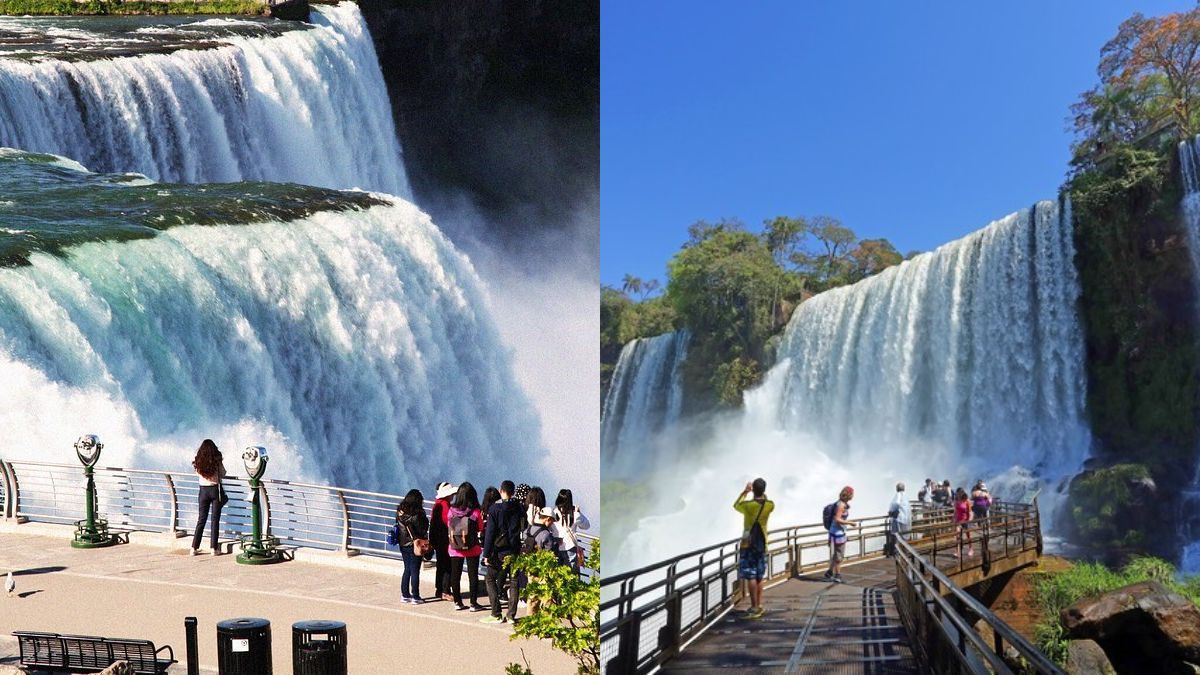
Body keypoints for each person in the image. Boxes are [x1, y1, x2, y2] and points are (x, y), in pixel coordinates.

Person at [481, 480, 524, 624]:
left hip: (499, 550)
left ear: (501, 490)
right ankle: (511, 615)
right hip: (515, 549)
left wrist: (486, 554)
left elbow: (490, 533)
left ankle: (496, 613)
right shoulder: (518, 507)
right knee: (514, 581)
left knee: (490, 578)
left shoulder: (495, 509)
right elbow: (523, 526)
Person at [734, 478, 774, 618]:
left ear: (754, 490)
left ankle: (754, 607)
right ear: (764, 490)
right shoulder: (770, 505)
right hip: (762, 542)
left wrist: (745, 492)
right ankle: (759, 604)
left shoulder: (748, 506)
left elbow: (736, 505)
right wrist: (760, 493)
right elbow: (766, 500)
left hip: (748, 543)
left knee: (750, 575)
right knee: (759, 575)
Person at [447, 482, 486, 612]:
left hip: (455, 547)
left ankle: (458, 602)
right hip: (472, 547)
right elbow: (480, 527)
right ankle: (473, 603)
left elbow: (449, 526)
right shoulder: (475, 511)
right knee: (473, 575)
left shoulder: (451, 511)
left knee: (455, 575)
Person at [190, 439, 227, 556]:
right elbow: (223, 473)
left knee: (201, 520)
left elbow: (196, 472)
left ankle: (194, 548)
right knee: (215, 520)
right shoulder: (216, 460)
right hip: (215, 490)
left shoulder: (198, 461)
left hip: (203, 491)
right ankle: (213, 548)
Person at [522, 506, 561, 614]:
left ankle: (531, 619)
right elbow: (549, 552)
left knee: (532, 595)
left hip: (531, 566)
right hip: (543, 569)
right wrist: (556, 543)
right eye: (552, 521)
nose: (552, 524)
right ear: (547, 519)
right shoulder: (546, 534)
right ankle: (547, 621)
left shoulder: (529, 529)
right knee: (546, 596)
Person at [395, 489, 429, 604]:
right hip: (415, 544)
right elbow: (422, 529)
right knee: (415, 570)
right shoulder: (417, 514)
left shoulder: (400, 511)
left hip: (403, 543)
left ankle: (405, 595)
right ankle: (416, 596)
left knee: (407, 569)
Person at [552, 488, 591, 574]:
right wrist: (578, 514)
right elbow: (587, 526)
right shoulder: (574, 513)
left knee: (557, 574)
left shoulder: (554, 512)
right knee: (572, 574)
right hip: (570, 547)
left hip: (556, 546)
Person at [430, 481, 456, 602]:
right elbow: (449, 522)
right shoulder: (445, 505)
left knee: (440, 565)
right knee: (447, 566)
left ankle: (439, 590)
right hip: (444, 541)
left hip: (437, 540)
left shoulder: (437, 504)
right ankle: (445, 591)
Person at [824, 486, 855, 583]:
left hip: (835, 531)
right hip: (838, 533)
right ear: (849, 495)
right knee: (839, 555)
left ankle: (829, 572)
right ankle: (837, 575)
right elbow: (837, 519)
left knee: (837, 554)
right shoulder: (841, 505)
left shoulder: (840, 503)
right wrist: (850, 523)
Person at [885, 482, 911, 556]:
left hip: (899, 518)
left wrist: (891, 511)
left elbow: (896, 503)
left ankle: (897, 553)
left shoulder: (898, 494)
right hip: (906, 519)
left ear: (897, 489)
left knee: (897, 536)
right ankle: (905, 552)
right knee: (904, 536)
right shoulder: (906, 495)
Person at [954, 488, 974, 557]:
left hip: (965, 520)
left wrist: (970, 519)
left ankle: (971, 549)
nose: (958, 495)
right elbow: (955, 511)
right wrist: (953, 519)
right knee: (957, 536)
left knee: (968, 535)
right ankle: (958, 551)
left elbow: (970, 512)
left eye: (958, 494)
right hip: (958, 521)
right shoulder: (956, 501)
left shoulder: (967, 501)